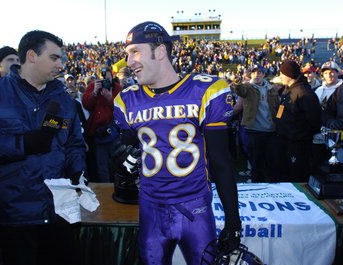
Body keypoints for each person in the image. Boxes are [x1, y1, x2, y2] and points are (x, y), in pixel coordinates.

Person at [113, 21, 241, 264]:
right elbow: (126, 153)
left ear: (160, 52)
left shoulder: (206, 90)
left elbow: (221, 163)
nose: (129, 62)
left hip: (196, 209)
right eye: (127, 54)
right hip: (150, 208)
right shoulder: (126, 100)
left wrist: (233, 221)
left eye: (135, 52)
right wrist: (119, 159)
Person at [0, 30, 86, 265]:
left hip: (59, 212)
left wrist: (77, 170)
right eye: (54, 58)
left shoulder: (64, 102)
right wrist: (22, 144)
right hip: (14, 216)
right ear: (32, 56)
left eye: (61, 59)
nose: (61, 64)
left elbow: (74, 144)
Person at [231, 64, 280, 183]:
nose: (256, 75)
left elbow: (278, 107)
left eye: (259, 73)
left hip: (271, 131)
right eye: (254, 73)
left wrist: (279, 120)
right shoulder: (248, 87)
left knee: (272, 163)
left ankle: (274, 188)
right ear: (250, 75)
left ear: (264, 75)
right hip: (254, 131)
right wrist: (237, 82)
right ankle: (257, 186)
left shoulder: (271, 89)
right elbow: (240, 90)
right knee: (256, 163)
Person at [276, 60, 321, 182]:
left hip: (298, 143)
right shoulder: (287, 90)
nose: (280, 76)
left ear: (289, 74)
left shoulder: (304, 92)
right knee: (286, 174)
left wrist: (301, 134)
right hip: (285, 139)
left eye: (282, 73)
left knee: (298, 175)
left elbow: (314, 119)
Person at [82, 64, 123, 182]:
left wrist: (110, 99)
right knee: (102, 166)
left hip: (114, 132)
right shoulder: (92, 87)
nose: (106, 82)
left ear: (112, 76)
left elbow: (122, 109)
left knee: (118, 163)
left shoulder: (117, 88)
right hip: (98, 133)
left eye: (108, 79)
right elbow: (86, 104)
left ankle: (119, 185)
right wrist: (95, 92)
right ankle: (105, 188)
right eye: (103, 80)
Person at [311, 61, 343, 171]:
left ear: (338, 73)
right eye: (325, 73)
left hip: (338, 132)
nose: (328, 75)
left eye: (331, 72)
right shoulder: (319, 90)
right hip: (320, 133)